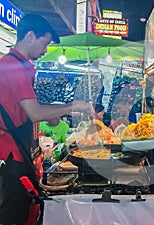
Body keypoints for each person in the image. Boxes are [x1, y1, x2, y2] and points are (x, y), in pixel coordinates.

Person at [0, 14, 89, 225]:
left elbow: (32, 109)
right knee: (14, 216)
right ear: (30, 36)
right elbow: (35, 113)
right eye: (45, 43)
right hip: (12, 157)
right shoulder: (11, 67)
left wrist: (65, 110)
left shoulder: (20, 66)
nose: (45, 50)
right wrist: (73, 106)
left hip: (20, 153)